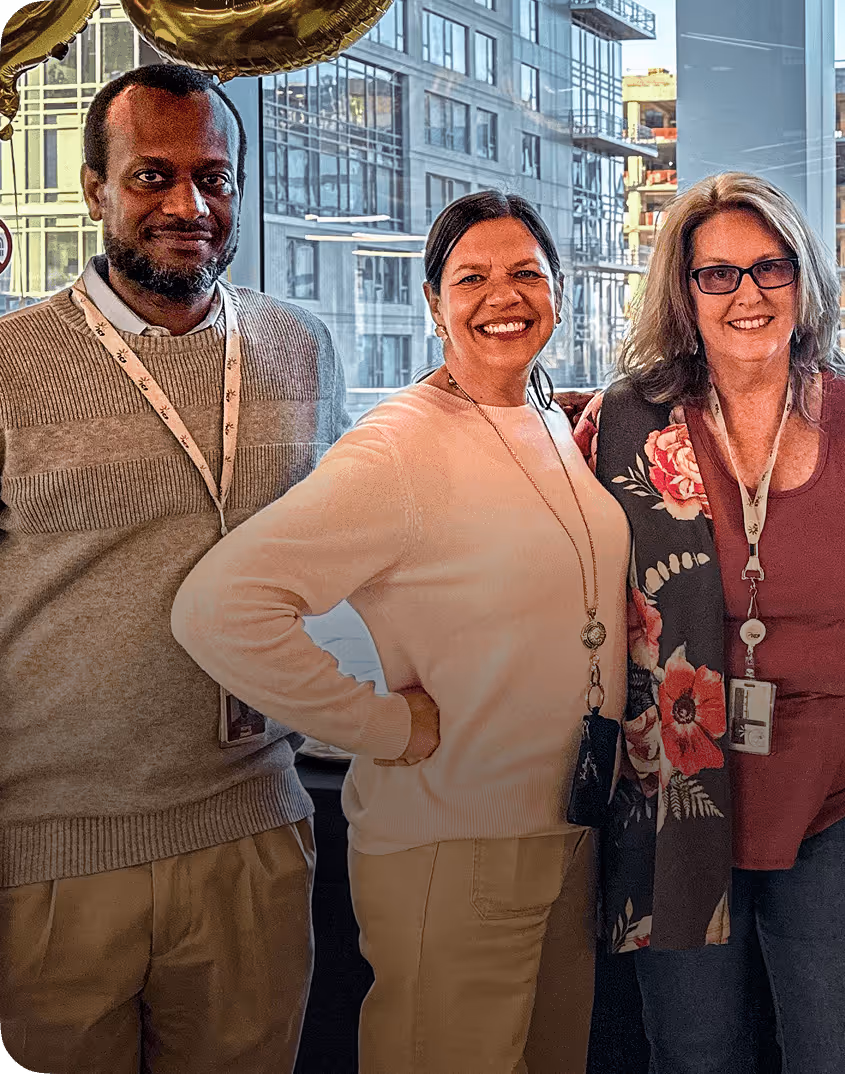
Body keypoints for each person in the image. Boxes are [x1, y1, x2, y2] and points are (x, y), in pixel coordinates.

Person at [172, 191, 623, 1074]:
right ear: (433, 302)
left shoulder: (544, 419)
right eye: (474, 277)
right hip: (454, 848)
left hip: (566, 833)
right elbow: (220, 608)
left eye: (527, 273)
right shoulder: (397, 448)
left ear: (559, 293)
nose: (505, 295)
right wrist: (382, 725)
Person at [0, 64, 346, 1074]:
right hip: (55, 853)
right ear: (95, 189)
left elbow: (351, 550)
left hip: (254, 832)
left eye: (214, 177)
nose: (188, 205)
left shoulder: (301, 348)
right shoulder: (10, 366)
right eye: (153, 175)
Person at [557, 170, 845, 1073]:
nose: (748, 294)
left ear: (806, 282)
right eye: (716, 274)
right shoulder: (619, 427)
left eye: (771, 268)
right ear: (683, 294)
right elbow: (544, 571)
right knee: (695, 1058)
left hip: (834, 799)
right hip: (675, 798)